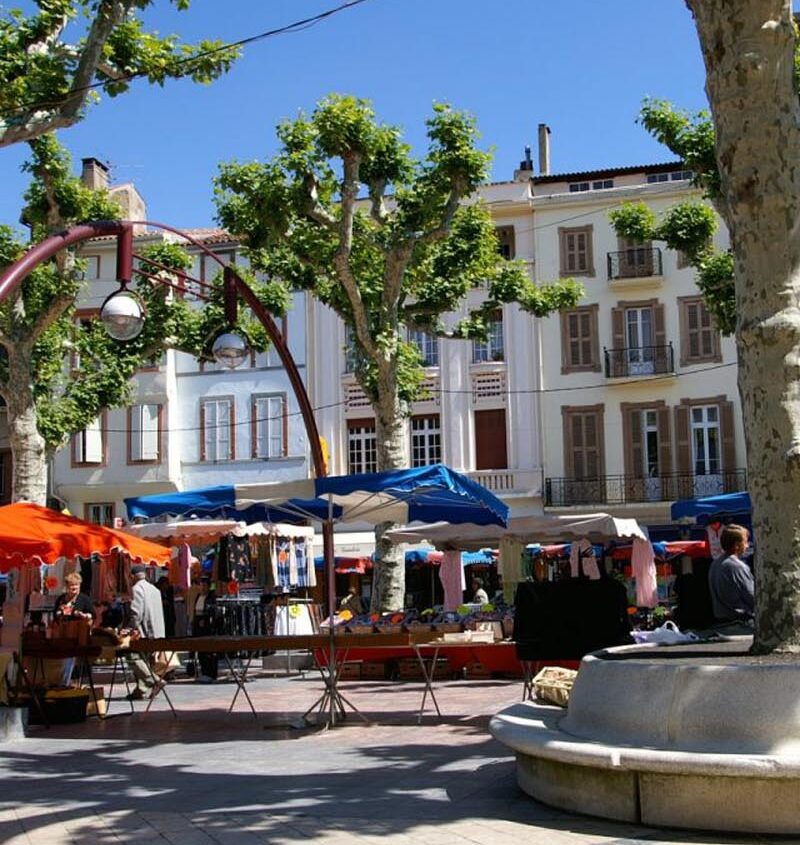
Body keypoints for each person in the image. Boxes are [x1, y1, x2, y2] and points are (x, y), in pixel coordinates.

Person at [125, 565, 166, 700]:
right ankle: (141, 690)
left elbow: (137, 613)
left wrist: (130, 628)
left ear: (133, 576)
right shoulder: (155, 589)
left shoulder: (137, 589)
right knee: (146, 660)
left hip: (144, 632)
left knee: (132, 657)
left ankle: (155, 681)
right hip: (156, 632)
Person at [708, 524, 755, 630]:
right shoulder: (737, 566)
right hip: (740, 622)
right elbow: (752, 596)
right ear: (737, 545)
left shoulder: (715, 564)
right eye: (745, 542)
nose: (747, 546)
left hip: (720, 622)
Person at [53, 572, 94, 686]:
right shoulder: (61, 599)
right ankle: (63, 683)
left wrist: (84, 615)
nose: (74, 587)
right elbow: (55, 615)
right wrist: (59, 613)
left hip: (79, 635)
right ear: (66, 586)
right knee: (63, 659)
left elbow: (92, 615)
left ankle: (72, 683)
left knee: (74, 659)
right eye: (72, 585)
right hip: (63, 634)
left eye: (77, 585)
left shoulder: (84, 599)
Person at [192, 577, 218, 683]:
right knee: (201, 651)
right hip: (198, 626)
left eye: (204, 586)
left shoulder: (212, 597)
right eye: (201, 585)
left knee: (209, 651)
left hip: (207, 626)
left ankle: (211, 673)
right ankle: (204, 672)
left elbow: (212, 612)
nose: (202, 588)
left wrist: (205, 620)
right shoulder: (198, 596)